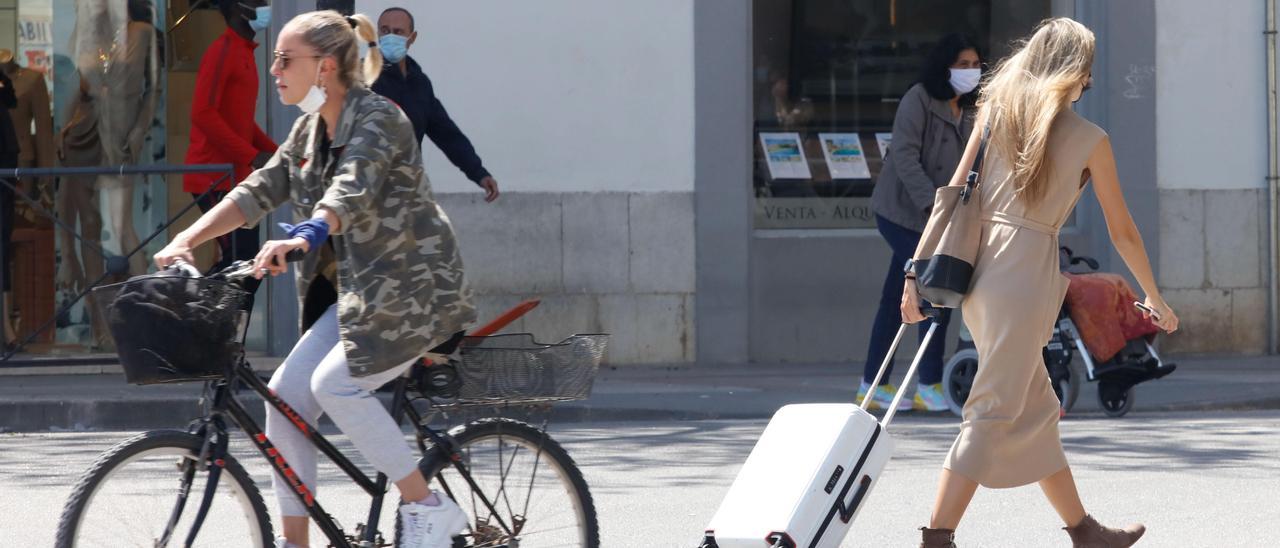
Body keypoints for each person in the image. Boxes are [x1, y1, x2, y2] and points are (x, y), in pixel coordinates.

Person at [153, 10, 477, 548]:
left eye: (285, 59)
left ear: (325, 67)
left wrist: (304, 235)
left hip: (416, 294)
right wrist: (186, 239)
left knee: (335, 385)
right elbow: (257, 191)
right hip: (359, 298)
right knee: (285, 395)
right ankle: (295, 541)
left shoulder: (380, 118)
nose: (274, 68)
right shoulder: (308, 130)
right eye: (274, 58)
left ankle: (428, 506)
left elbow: (349, 191)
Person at [905, 18, 1179, 547]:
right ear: (1075, 71)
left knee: (1035, 408)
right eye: (1088, 71)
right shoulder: (1090, 139)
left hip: (981, 275)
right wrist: (1154, 296)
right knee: (990, 411)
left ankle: (1085, 532)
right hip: (1026, 277)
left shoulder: (995, 111)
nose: (1089, 82)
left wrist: (915, 270)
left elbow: (951, 192)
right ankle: (936, 538)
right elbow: (1122, 231)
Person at [862, 34, 982, 411]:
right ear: (944, 66)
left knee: (893, 298)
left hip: (939, 219)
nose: (971, 72)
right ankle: (928, 384)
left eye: (975, 64)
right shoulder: (918, 99)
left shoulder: (971, 109)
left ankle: (873, 384)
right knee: (935, 286)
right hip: (902, 214)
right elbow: (904, 155)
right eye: (963, 64)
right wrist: (934, 205)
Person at [183, 0, 278, 273]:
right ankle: (195, 315)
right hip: (213, 176)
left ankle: (220, 316)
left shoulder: (244, 52)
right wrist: (252, 155)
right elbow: (203, 113)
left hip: (236, 175)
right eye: (258, 1)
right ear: (237, 9)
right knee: (242, 262)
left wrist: (278, 152)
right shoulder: (222, 50)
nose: (265, 6)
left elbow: (241, 123)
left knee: (248, 264)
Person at [371, 6, 499, 202]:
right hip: (370, 191)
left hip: (408, 191)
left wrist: (478, 173)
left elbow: (446, 133)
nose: (390, 37)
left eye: (398, 32)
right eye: (385, 30)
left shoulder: (419, 84)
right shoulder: (363, 79)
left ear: (412, 38)